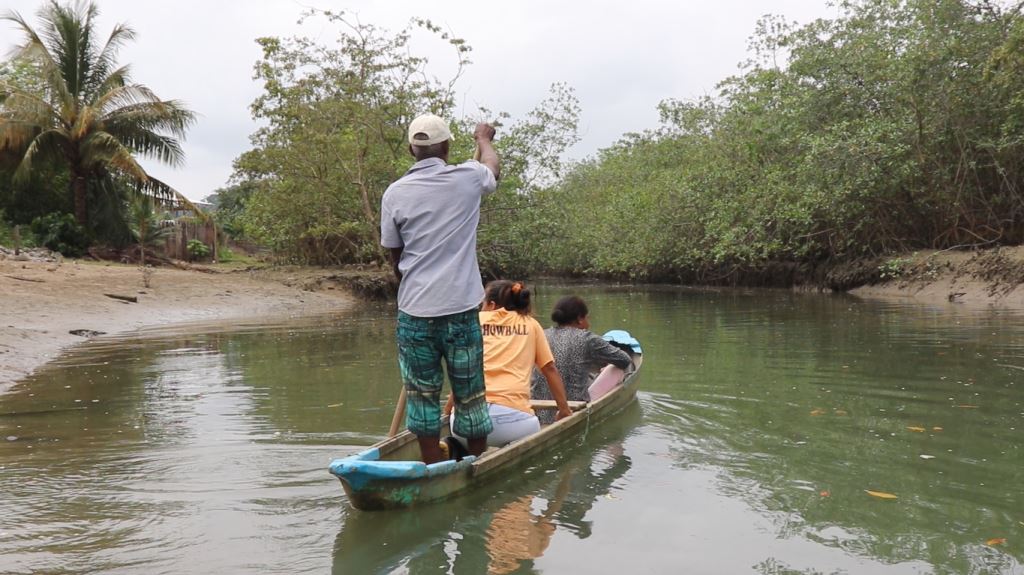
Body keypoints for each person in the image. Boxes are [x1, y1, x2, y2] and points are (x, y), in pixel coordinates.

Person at [379, 113, 501, 464]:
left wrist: (413, 289)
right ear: (446, 147)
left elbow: (395, 256)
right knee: (470, 393)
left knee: (422, 396)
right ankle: (477, 464)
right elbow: (492, 168)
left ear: (410, 149)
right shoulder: (468, 176)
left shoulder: (395, 193)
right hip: (461, 309)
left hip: (415, 311)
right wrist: (483, 139)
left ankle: (432, 465)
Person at [449, 280, 573, 449]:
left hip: (463, 424)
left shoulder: (474, 321)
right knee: (534, 424)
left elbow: (461, 372)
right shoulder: (531, 325)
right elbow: (549, 369)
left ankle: (456, 449)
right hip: (512, 424)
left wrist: (447, 412)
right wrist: (564, 410)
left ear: (492, 305)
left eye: (482, 303)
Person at [530, 295, 633, 423]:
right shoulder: (587, 338)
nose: (588, 323)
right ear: (579, 319)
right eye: (587, 318)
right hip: (573, 409)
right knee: (618, 368)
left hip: (538, 412)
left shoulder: (542, 334)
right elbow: (624, 359)